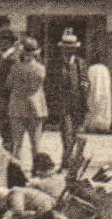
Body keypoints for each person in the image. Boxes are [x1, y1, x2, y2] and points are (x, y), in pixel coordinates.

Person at [45, 29, 89, 171]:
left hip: (78, 103)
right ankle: (67, 161)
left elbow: (85, 80)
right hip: (63, 104)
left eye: (72, 49)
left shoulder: (80, 63)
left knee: (76, 134)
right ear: (62, 49)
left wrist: (85, 85)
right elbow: (49, 84)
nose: (69, 51)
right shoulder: (55, 64)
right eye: (67, 49)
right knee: (67, 134)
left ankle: (69, 160)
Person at [5, 36, 47, 167]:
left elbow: (8, 84)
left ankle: (16, 170)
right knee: (36, 143)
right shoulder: (40, 68)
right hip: (35, 106)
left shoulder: (16, 67)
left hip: (17, 105)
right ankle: (37, 169)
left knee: (17, 143)